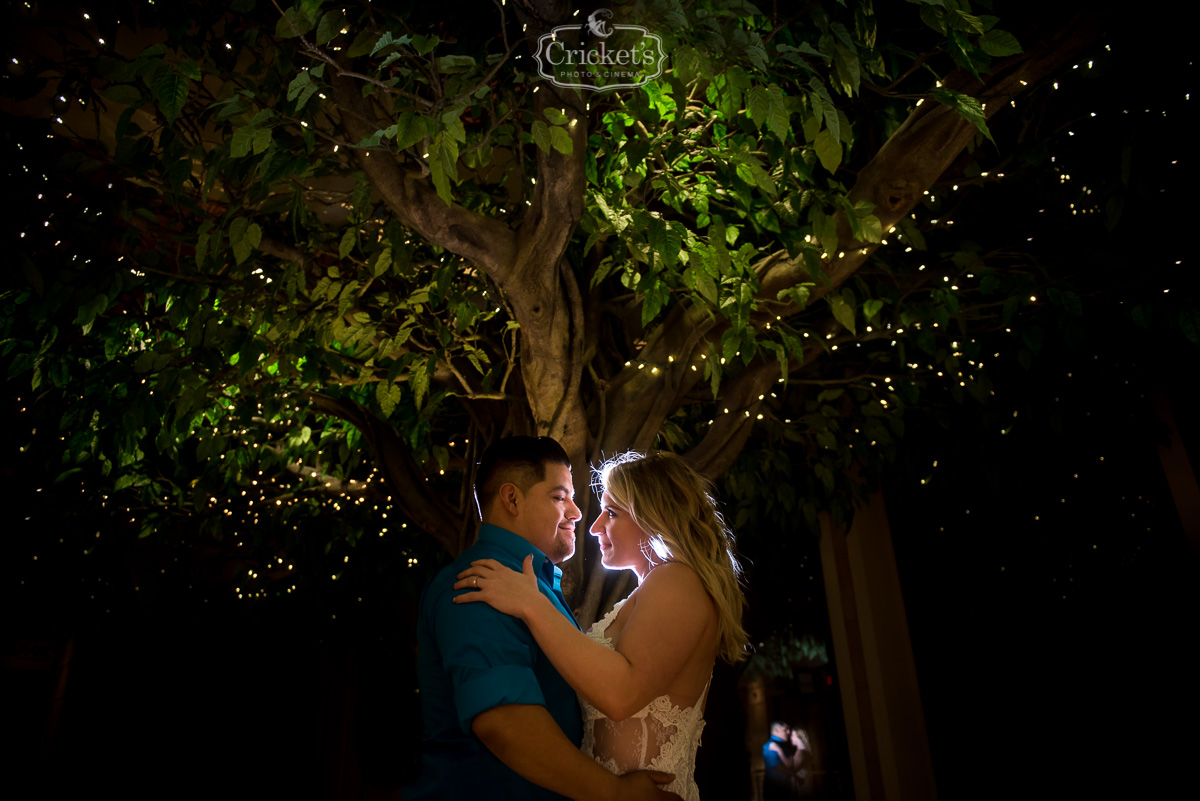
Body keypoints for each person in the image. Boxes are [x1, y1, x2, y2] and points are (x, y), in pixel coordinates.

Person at [454, 451, 749, 801]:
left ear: (653, 515)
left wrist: (531, 603)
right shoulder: (650, 592)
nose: (594, 528)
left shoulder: (678, 581)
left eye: (611, 513)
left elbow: (621, 694)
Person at [404, 437, 680, 801]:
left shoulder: (525, 586)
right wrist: (613, 793)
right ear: (512, 499)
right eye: (559, 497)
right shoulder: (480, 583)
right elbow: (503, 721)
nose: (577, 513)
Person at [762, 721, 809, 800]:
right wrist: (796, 776)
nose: (788, 732)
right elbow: (778, 767)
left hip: (786, 788)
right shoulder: (771, 745)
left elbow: (790, 764)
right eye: (785, 729)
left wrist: (779, 750)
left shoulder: (782, 746)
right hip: (776, 790)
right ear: (776, 730)